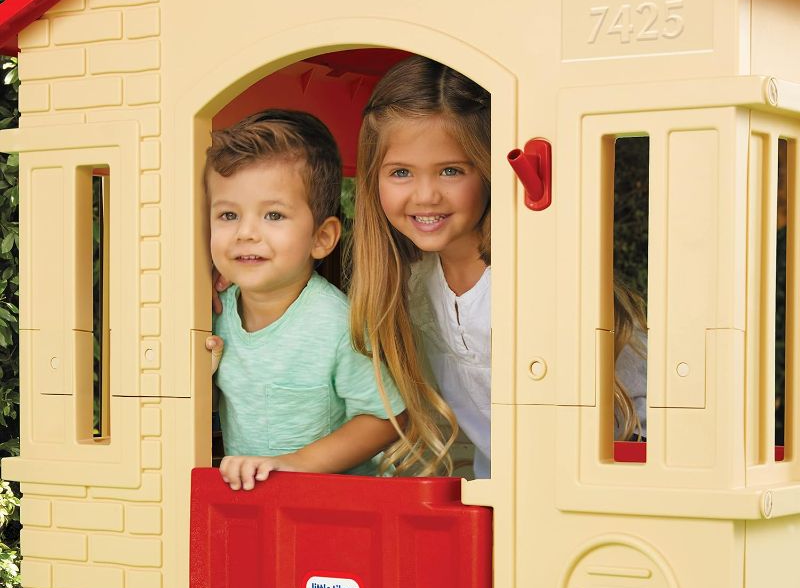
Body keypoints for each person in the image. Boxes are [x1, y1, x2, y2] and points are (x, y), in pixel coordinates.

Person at [349, 55, 647, 480]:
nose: (426, 195)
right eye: (401, 173)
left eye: (451, 171)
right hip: (505, 508)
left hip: (608, 491)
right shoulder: (413, 288)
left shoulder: (532, 278)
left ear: (487, 173)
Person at [204, 109, 406, 490]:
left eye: (274, 215)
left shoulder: (337, 323)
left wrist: (293, 464)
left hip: (333, 509)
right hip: (251, 503)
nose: (246, 233)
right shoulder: (211, 311)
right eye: (228, 214)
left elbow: (386, 419)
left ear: (322, 238)